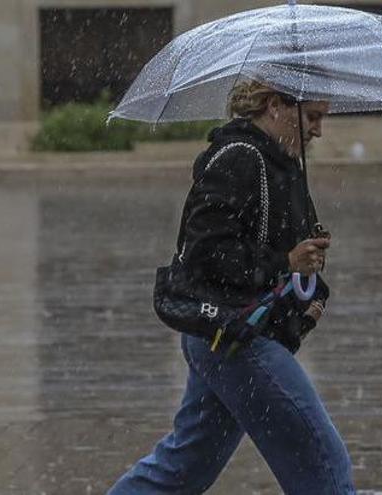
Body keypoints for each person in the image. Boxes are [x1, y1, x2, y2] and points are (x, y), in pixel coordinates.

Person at [108, 80, 355, 494]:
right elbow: (205, 254)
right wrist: (285, 261)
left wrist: (308, 272)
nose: (318, 130)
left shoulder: (285, 165)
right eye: (311, 116)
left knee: (183, 467)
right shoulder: (239, 159)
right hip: (235, 337)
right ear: (276, 106)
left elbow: (276, 249)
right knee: (323, 463)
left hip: (228, 337)